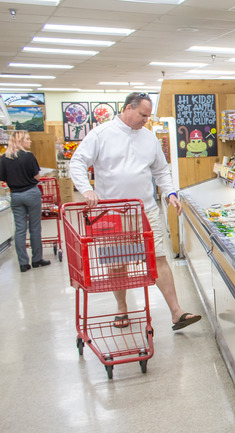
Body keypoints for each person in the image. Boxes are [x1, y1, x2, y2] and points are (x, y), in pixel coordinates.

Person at [70, 92, 201, 331]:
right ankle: (122, 309)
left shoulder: (149, 137)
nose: (146, 120)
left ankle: (176, 312)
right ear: (128, 109)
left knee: (159, 258)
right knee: (117, 263)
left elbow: (161, 170)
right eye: (143, 115)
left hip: (145, 209)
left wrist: (171, 192)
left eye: (148, 116)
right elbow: (77, 162)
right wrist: (87, 190)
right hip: (112, 212)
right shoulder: (101, 134)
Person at [0, 130, 51, 272]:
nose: (30, 141)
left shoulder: (4, 158)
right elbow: (37, 176)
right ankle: (37, 259)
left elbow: (3, 179)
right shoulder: (28, 157)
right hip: (31, 194)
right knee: (35, 227)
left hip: (15, 196)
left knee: (20, 229)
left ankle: (23, 263)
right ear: (20, 141)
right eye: (27, 139)